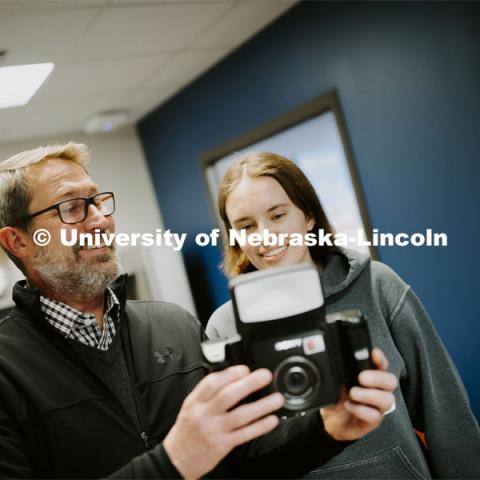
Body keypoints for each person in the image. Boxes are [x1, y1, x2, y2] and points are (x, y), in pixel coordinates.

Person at [0, 143, 397, 479]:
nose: (102, 220)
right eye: (72, 208)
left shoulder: (174, 326)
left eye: (98, 202)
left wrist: (327, 430)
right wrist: (173, 463)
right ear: (17, 241)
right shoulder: (8, 369)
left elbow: (245, 461)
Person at [207, 151, 480, 479]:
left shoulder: (377, 286)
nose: (265, 235)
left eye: (277, 216)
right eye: (247, 225)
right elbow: (242, 455)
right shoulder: (225, 328)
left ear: (308, 216)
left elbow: (447, 414)